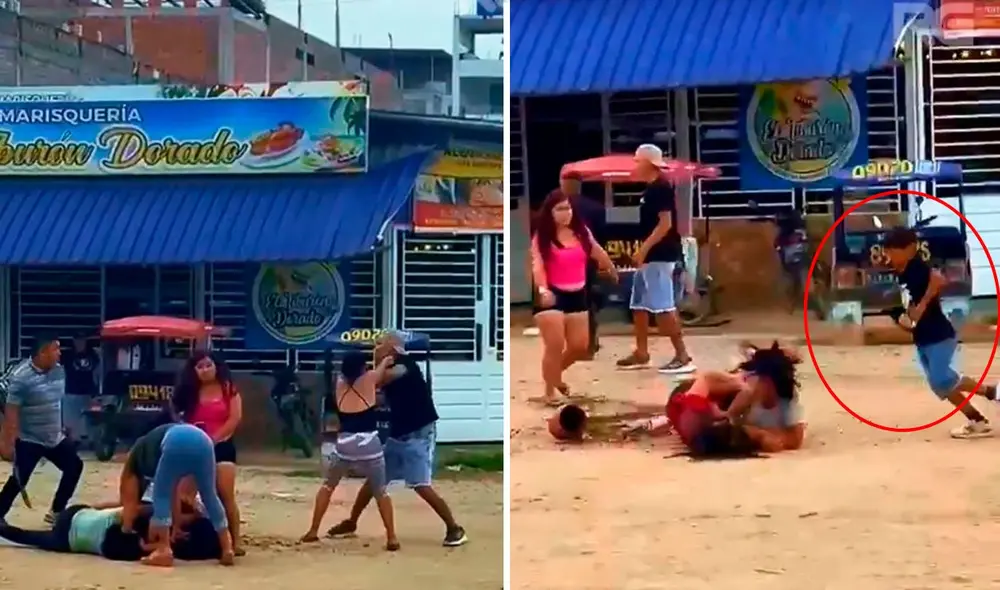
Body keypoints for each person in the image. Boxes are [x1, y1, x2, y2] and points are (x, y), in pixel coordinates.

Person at [325, 332, 469, 547]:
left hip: (418, 431)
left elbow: (379, 379)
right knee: (375, 480)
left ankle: (454, 528)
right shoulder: (387, 366)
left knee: (419, 484)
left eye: (381, 344)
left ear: (394, 348)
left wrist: (378, 364)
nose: (376, 347)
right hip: (399, 431)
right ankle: (352, 522)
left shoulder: (405, 365)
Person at [883, 227, 999, 439]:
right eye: (888, 251)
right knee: (941, 386)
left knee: (942, 378)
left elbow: (938, 280)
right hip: (923, 338)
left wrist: (921, 306)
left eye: (893, 251)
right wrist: (903, 319)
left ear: (909, 250)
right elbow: (906, 310)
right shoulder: (899, 276)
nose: (889, 256)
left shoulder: (917, 269)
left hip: (939, 334)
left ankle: (992, 393)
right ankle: (977, 420)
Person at [626, 342, 805, 454]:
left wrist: (767, 436)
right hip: (695, 399)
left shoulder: (784, 399)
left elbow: (795, 439)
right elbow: (706, 380)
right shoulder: (743, 385)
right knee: (697, 411)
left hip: (706, 406)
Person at [301, 350, 398, 549]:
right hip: (369, 442)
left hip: (344, 443)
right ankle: (391, 537)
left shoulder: (338, 382)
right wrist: (386, 359)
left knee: (328, 486)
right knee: (380, 492)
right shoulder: (370, 378)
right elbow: (381, 372)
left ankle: (313, 530)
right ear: (362, 367)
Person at [531, 190, 618, 404]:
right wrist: (543, 289)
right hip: (552, 295)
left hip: (578, 293)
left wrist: (611, 269)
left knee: (580, 346)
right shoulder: (542, 237)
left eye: (568, 208)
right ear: (550, 212)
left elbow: (597, 251)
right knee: (555, 344)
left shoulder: (581, 232)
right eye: (559, 209)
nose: (565, 213)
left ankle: (554, 376)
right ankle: (549, 392)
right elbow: (537, 265)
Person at [616, 144, 696, 374]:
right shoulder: (649, 189)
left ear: (648, 163)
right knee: (639, 304)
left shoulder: (660, 188)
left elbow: (665, 224)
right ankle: (641, 352)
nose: (634, 164)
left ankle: (683, 356)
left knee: (663, 307)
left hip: (660, 255)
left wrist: (644, 249)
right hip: (650, 256)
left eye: (637, 160)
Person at [118, 422, 234, 566]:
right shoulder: (150, 444)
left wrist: (126, 531)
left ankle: (164, 550)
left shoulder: (136, 460)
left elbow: (130, 502)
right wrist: (176, 524)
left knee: (160, 495)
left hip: (175, 441)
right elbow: (174, 491)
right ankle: (227, 547)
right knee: (210, 495)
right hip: (204, 441)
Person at [0, 335, 83, 525]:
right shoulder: (21, 377)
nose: (59, 353)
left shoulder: (59, 371)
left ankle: (56, 511)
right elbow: (11, 411)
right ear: (43, 352)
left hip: (54, 436)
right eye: (56, 349)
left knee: (75, 466)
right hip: (30, 438)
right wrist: (7, 442)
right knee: (19, 480)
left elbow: (58, 401)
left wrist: (65, 425)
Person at [170, 352, 244, 556]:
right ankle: (183, 534)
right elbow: (177, 416)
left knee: (225, 495)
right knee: (183, 496)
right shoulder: (188, 393)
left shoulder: (229, 388)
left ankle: (235, 541)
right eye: (199, 367)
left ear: (216, 366)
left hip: (222, 446)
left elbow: (234, 418)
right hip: (193, 447)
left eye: (208, 365)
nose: (204, 370)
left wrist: (213, 439)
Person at [0, 494, 220, 562]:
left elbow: (122, 507)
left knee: (26, 537)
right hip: (69, 536)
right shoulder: (130, 541)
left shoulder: (142, 518)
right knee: (26, 537)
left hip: (74, 521)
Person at [555, 172, 607, 356]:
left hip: (563, 262)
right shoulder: (596, 208)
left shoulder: (557, 208)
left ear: (563, 185)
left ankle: (576, 345)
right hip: (589, 259)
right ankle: (590, 343)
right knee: (588, 301)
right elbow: (603, 237)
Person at [61, 333, 99, 446]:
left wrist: (96, 390)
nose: (80, 343)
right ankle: (73, 441)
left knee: (88, 419)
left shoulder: (92, 354)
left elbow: (97, 371)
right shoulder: (67, 354)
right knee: (71, 420)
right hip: (71, 391)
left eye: (82, 340)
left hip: (88, 391)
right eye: (78, 340)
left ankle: (89, 441)